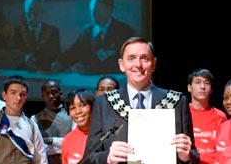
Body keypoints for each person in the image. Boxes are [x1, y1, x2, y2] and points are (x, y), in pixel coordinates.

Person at [83, 36, 199, 164]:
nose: (138, 65)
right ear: (122, 65)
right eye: (131, 58)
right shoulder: (104, 103)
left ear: (153, 64)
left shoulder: (177, 102)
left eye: (144, 58)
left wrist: (186, 157)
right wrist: (107, 158)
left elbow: (194, 155)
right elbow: (88, 158)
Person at [0, 75, 48, 164]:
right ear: (4, 95)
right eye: (13, 93)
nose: (18, 98)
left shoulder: (32, 126)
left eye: (22, 94)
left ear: (26, 97)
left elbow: (41, 159)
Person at [57, 0, 137, 74]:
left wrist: (93, 70)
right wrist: (60, 62)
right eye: (92, 11)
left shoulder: (124, 31)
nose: (94, 15)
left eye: (97, 10)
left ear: (109, 9)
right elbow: (74, 52)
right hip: (89, 83)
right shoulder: (87, 32)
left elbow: (127, 63)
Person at [11, 0, 61, 72]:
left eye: (36, 12)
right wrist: (24, 58)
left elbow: (56, 56)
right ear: (25, 13)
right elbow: (13, 52)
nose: (32, 16)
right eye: (30, 11)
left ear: (43, 12)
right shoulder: (18, 30)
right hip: (23, 73)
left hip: (45, 74)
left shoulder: (53, 32)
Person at [187, 68, 227, 164]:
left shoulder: (220, 116)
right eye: (197, 82)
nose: (202, 87)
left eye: (207, 83)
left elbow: (224, 147)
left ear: (211, 89)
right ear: (189, 87)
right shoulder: (182, 112)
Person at [31, 80, 73, 164]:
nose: (51, 96)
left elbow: (74, 142)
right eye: (47, 93)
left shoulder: (72, 116)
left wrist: (51, 140)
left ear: (60, 94)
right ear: (42, 96)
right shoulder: (35, 119)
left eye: (54, 92)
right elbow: (35, 144)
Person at [61, 88, 95, 164]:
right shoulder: (67, 140)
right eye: (72, 108)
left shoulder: (104, 135)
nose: (78, 111)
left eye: (83, 105)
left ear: (93, 107)